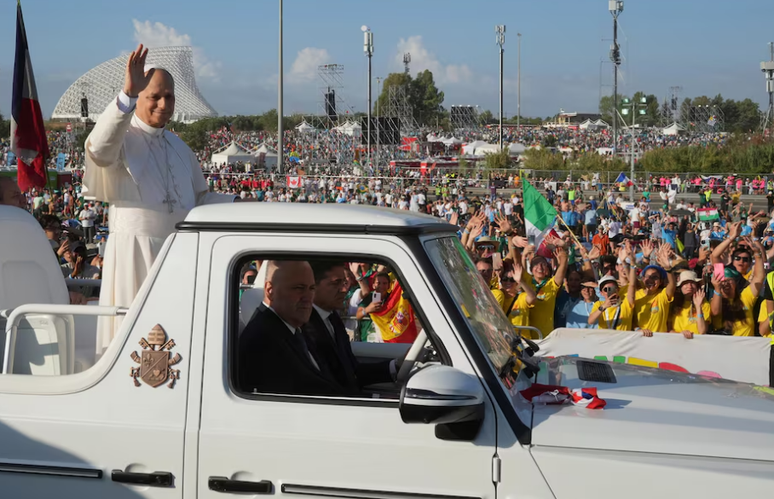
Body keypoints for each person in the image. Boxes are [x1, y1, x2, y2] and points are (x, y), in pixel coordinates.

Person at [83, 45, 236, 353]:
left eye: (170, 96)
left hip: (178, 255)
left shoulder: (180, 148)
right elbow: (98, 149)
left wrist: (238, 205)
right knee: (131, 347)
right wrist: (125, 94)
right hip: (134, 255)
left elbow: (198, 202)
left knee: (177, 344)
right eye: (154, 96)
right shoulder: (122, 139)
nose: (164, 104)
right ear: (139, 96)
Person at [239, 261, 348, 396]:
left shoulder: (290, 329)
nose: (308, 297)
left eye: (312, 288)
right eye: (299, 288)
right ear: (270, 291)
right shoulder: (264, 340)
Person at [304, 261, 395, 393]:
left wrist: (395, 367)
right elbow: (331, 383)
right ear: (313, 285)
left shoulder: (332, 318)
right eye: (336, 283)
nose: (344, 289)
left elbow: (352, 371)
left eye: (344, 283)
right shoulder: (304, 327)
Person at [668, 271, 709, 339]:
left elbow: (702, 331)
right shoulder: (673, 303)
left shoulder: (704, 303)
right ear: (680, 286)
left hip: (697, 344)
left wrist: (698, 306)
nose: (689, 286)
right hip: (676, 342)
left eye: (692, 283)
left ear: (697, 286)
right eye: (685, 283)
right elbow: (668, 329)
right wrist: (680, 335)